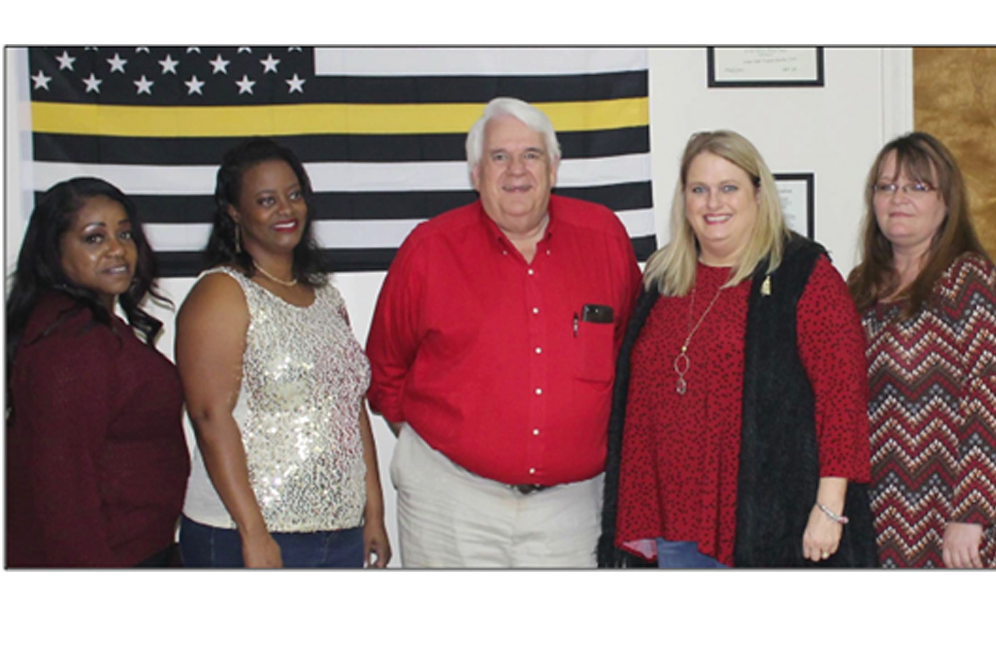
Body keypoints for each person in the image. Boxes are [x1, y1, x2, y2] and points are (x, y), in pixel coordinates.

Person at [365, 97, 641, 568]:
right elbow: (384, 369)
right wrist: (440, 444)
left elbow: (632, 351)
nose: (517, 170)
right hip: (450, 503)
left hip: (571, 512)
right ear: (476, 174)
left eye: (531, 155)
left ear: (553, 169)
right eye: (499, 156)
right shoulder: (429, 249)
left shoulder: (605, 237)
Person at [597, 130, 875, 568]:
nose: (713, 203)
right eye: (699, 189)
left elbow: (842, 399)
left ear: (758, 194)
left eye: (729, 188)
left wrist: (828, 509)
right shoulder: (663, 279)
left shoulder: (802, 275)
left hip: (766, 529)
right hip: (672, 524)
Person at [176, 138, 390, 568]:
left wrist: (374, 512)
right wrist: (253, 533)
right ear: (234, 212)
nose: (286, 210)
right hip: (245, 534)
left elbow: (349, 409)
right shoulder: (221, 293)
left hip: (340, 532)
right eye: (266, 200)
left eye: (294, 195)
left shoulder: (326, 297)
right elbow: (210, 417)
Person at [849, 132, 996, 568]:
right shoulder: (860, 285)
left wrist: (971, 514)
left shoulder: (970, 281)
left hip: (950, 514)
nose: (898, 198)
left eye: (918, 187)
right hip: (870, 510)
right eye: (886, 186)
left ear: (947, 201)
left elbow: (991, 399)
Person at [6, 178, 189, 567]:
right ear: (53, 250)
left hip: (134, 549)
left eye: (125, 234)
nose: (117, 249)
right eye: (94, 238)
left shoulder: (84, 325)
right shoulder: (72, 347)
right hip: (108, 559)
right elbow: (62, 492)